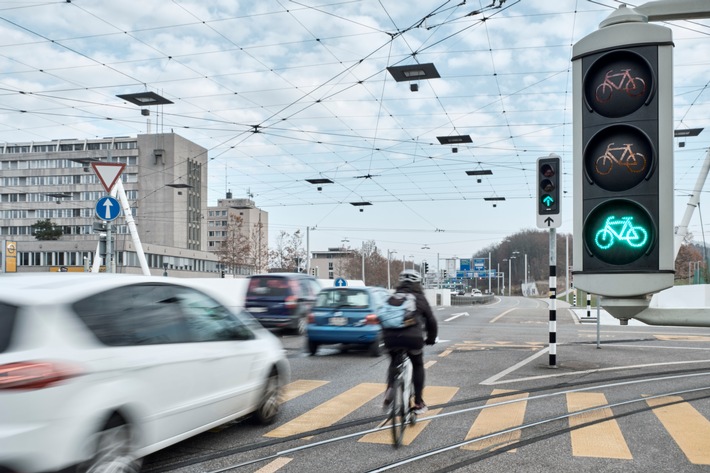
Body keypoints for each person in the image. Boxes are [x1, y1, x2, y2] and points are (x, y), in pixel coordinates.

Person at [382, 269, 438, 415]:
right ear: (417, 283)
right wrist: (431, 338)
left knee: (394, 361)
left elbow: (383, 318)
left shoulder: (392, 297)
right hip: (412, 339)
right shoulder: (419, 298)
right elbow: (431, 321)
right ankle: (418, 402)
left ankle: (390, 388)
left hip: (391, 338)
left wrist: (386, 337)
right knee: (418, 364)